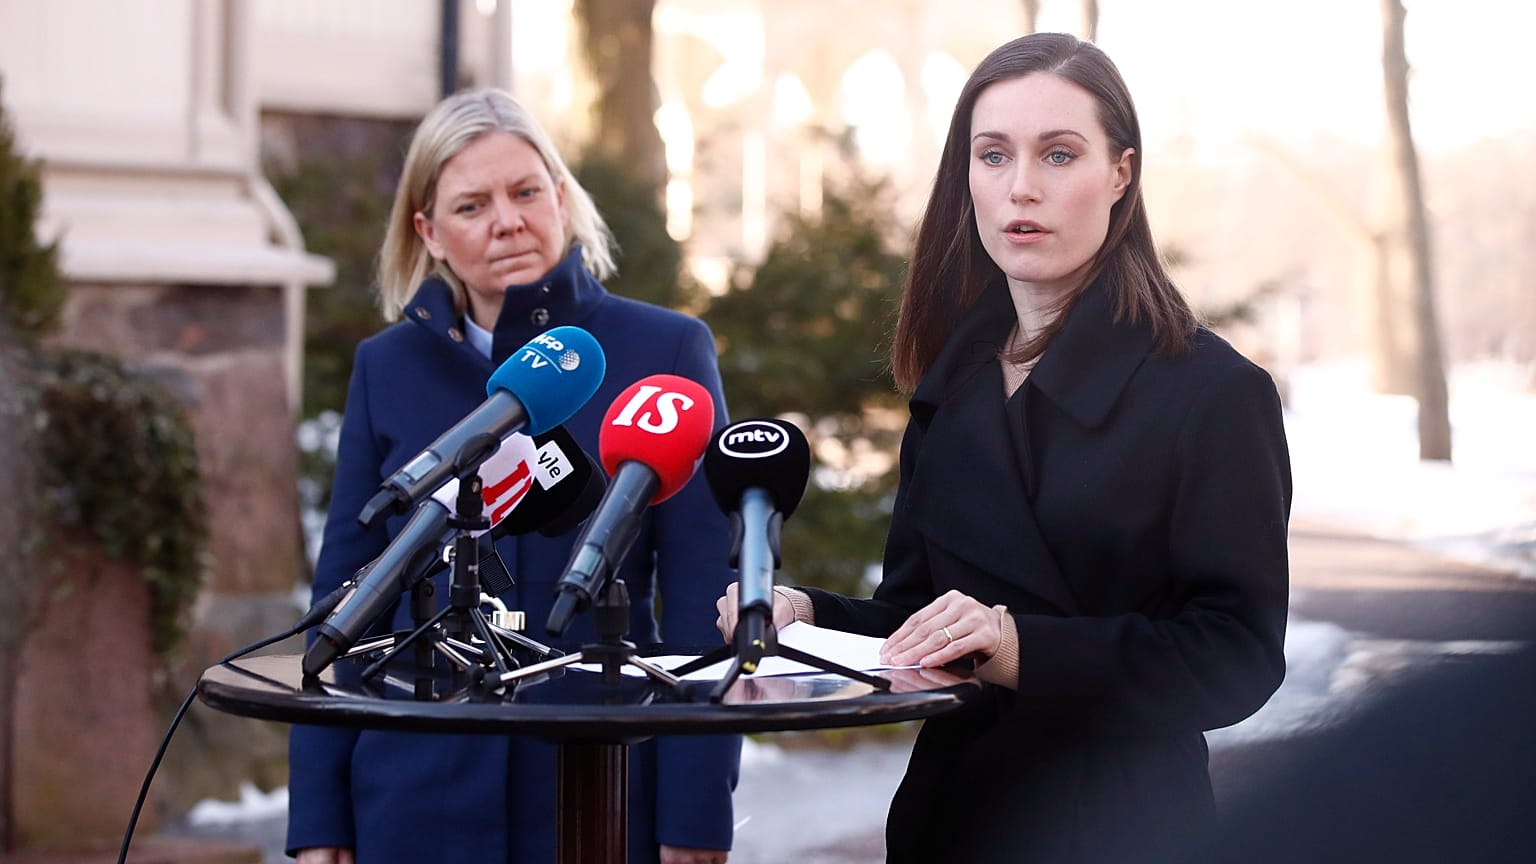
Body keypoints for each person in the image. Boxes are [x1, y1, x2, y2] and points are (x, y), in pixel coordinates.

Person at [716, 33, 1290, 864]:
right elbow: (917, 619)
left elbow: (1235, 656)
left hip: (1124, 827)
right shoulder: (955, 387)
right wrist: (806, 616)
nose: (1021, 187)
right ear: (967, 178)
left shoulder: (1210, 391)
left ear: (1122, 173)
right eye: (993, 155)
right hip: (957, 820)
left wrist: (1023, 648)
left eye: (1059, 154)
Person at [288, 88, 740, 864]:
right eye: (472, 206)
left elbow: (705, 593)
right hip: (412, 792)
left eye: (526, 191)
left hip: (596, 786)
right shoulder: (385, 369)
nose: (507, 220)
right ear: (427, 233)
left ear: (561, 198)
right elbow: (345, 591)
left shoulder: (666, 350)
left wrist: (695, 812)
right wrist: (319, 816)